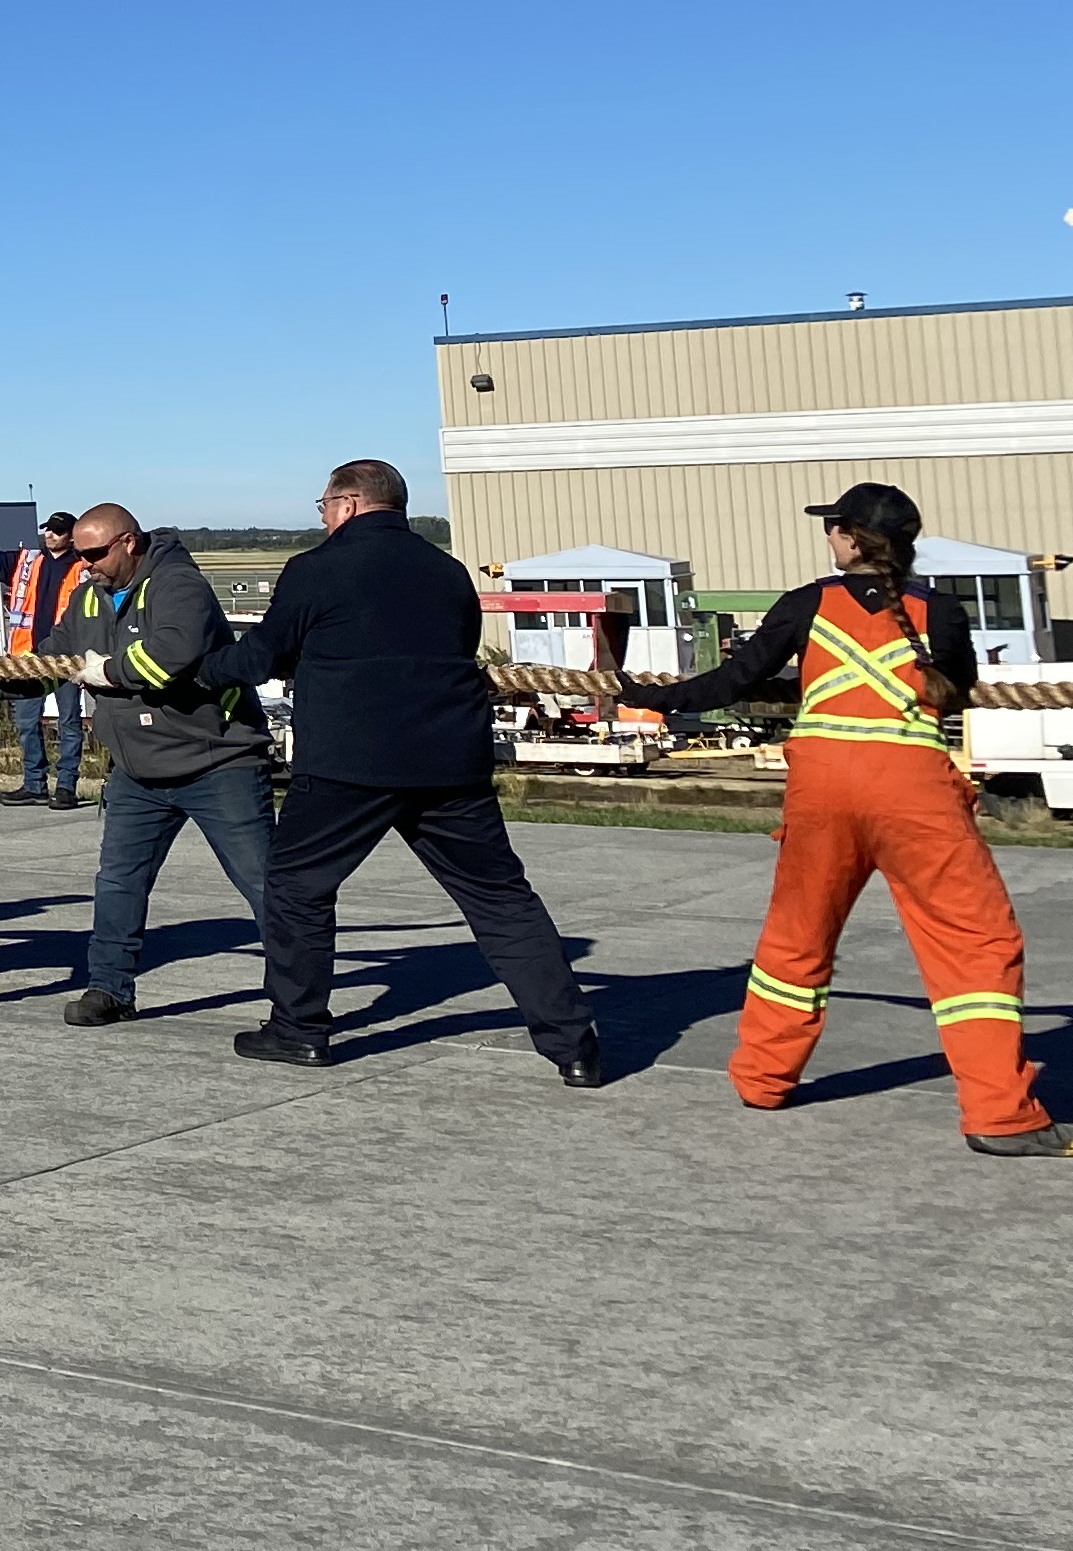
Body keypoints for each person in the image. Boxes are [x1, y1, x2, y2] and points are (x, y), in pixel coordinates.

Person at [618, 481, 1057, 1154]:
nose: (828, 536)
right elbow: (957, 690)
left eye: (833, 528)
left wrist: (651, 695)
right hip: (917, 797)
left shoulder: (806, 604)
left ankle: (763, 1078)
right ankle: (1000, 1114)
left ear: (849, 539)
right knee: (975, 943)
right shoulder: (939, 612)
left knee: (799, 933)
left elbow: (731, 682)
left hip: (823, 792)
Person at [183, 460, 601, 1086]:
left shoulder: (315, 569)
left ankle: (299, 1029)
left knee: (297, 886)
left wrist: (196, 671)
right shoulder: (448, 572)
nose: (321, 516)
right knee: (500, 900)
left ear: (349, 504)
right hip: (450, 761)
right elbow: (448, 651)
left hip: (350, 763)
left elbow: (263, 655)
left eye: (323, 504)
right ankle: (574, 1046)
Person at [49, 503, 272, 1025]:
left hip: (219, 763)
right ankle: (108, 989)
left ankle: (296, 996)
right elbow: (54, 657)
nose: (87, 565)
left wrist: (111, 674)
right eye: (80, 556)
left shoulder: (178, 585)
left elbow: (171, 657)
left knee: (265, 883)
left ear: (129, 542)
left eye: (96, 553)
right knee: (117, 882)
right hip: (138, 773)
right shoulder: (88, 598)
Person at [1, 510, 90, 807]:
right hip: (30, 656)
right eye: (47, 530)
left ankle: (66, 786)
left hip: (66, 658)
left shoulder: (82, 569)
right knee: (26, 723)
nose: (49, 534)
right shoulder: (31, 563)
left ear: (71, 536)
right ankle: (34, 784)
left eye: (57, 531)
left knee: (69, 722)